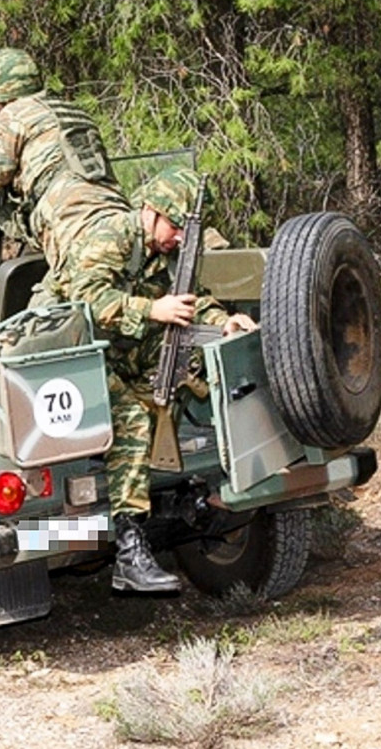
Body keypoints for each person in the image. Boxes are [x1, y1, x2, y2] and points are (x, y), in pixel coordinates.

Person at [48, 166, 257, 593]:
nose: (178, 237)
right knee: (131, 419)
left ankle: (204, 490)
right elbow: (86, 301)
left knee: (195, 364)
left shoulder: (167, 253)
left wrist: (223, 323)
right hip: (74, 353)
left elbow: (190, 303)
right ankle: (128, 553)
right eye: (175, 226)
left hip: (124, 350)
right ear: (152, 211)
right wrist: (151, 310)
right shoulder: (109, 237)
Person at [0, 47, 129, 302]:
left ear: (0, 98)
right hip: (116, 214)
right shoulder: (73, 112)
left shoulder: (14, 114)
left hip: (72, 227)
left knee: (36, 327)